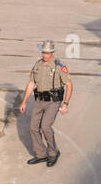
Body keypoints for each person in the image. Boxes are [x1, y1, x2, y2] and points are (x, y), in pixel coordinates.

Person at [18, 40, 72, 168]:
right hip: (39, 100)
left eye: (47, 53)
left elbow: (69, 85)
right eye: (43, 52)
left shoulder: (59, 67)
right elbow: (31, 84)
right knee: (33, 128)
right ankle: (41, 154)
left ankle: (53, 153)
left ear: (52, 53)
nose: (44, 55)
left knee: (45, 127)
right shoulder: (37, 65)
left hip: (53, 102)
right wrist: (24, 102)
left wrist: (65, 103)